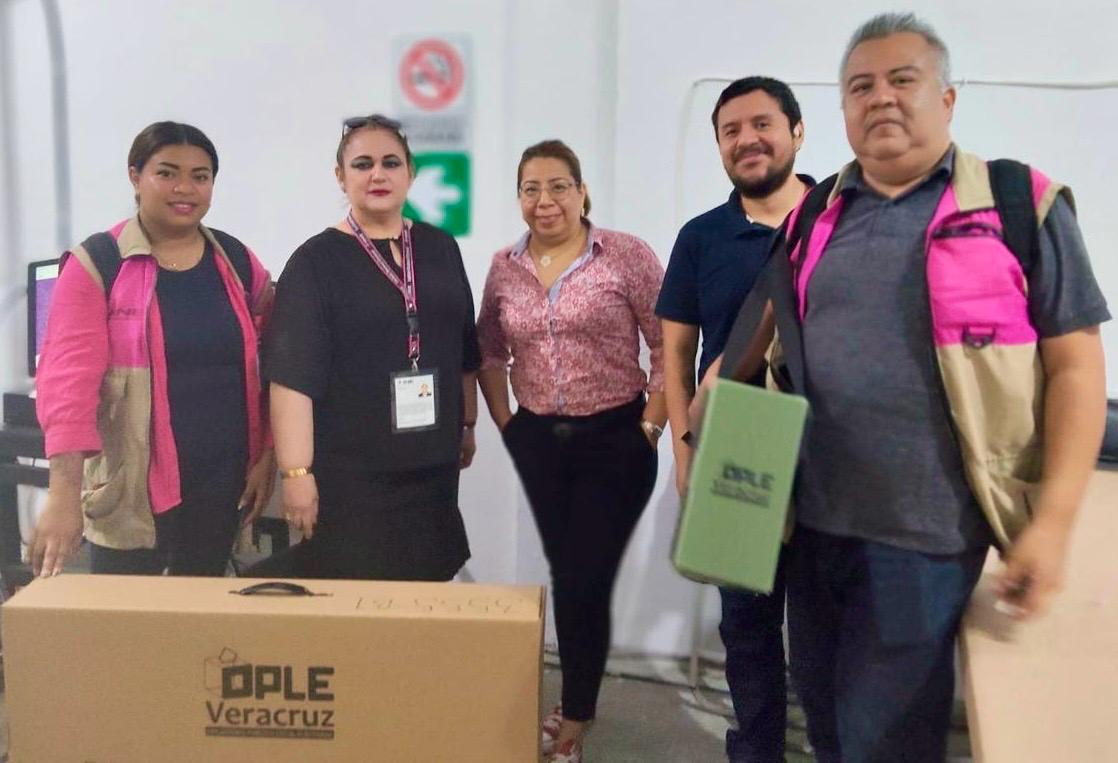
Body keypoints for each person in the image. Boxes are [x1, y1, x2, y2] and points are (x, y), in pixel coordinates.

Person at [702, 13, 1109, 761]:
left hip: (925, 542)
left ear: (946, 99)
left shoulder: (1017, 205)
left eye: (902, 80)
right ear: (843, 110)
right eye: (861, 86)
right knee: (826, 723)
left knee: (883, 740)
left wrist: (1052, 522)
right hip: (811, 528)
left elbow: (1077, 367)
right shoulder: (817, 212)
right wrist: (713, 393)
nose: (881, 97)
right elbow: (768, 316)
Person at [476, 139, 667, 763]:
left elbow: (668, 343)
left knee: (584, 575)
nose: (545, 200)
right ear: (519, 198)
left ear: (582, 191)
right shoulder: (505, 266)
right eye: (531, 188)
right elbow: (489, 349)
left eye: (559, 185)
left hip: (617, 439)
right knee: (570, 574)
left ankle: (575, 716)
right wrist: (507, 423)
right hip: (540, 441)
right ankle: (577, 701)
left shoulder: (625, 254)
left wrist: (651, 427)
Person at [31, 121, 275, 578]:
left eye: (200, 176)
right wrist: (63, 495)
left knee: (201, 614)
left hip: (222, 483)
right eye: (167, 173)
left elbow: (276, 359)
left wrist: (268, 455)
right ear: (135, 176)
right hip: (130, 488)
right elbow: (67, 383)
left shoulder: (237, 261)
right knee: (126, 616)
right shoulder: (98, 264)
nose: (185, 188)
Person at [656, 76, 811, 763]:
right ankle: (758, 750)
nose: (747, 139)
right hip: (736, 446)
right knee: (747, 623)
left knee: (826, 625)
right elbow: (675, 350)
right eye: (730, 130)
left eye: (762, 124)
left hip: (826, 448)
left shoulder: (837, 219)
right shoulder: (701, 237)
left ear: (797, 131)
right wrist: (685, 449)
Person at [260, 114, 480, 581]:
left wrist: (468, 424)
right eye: (362, 164)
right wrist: (296, 474)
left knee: (429, 584)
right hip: (353, 474)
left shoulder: (440, 247)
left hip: (433, 466)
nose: (377, 174)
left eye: (390, 163)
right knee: (359, 593)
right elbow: (292, 378)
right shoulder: (315, 262)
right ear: (341, 177)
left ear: (411, 173)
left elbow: (463, 346)